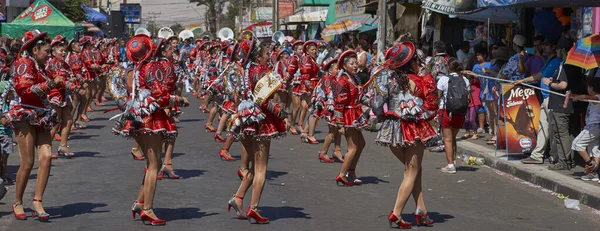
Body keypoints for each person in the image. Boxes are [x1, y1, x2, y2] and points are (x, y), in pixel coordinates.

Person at [114, 35, 189, 226]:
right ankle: (148, 209)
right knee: (154, 166)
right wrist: (177, 100)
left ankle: (140, 202)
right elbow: (160, 97)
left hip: (138, 119)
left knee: (150, 164)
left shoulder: (136, 69)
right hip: (152, 120)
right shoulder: (155, 68)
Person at [367, 42, 438, 228]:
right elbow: (432, 107)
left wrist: (385, 117)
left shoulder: (387, 79)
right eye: (417, 60)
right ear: (412, 62)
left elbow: (376, 106)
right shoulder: (421, 81)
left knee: (414, 171)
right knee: (411, 172)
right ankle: (396, 213)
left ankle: (421, 210)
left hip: (391, 131)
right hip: (412, 129)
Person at [227, 37, 287, 224]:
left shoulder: (245, 71)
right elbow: (263, 99)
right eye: (267, 54)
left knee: (254, 166)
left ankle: (238, 198)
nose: (269, 57)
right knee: (261, 169)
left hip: (246, 121)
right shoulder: (261, 71)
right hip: (261, 121)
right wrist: (279, 110)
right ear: (259, 56)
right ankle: (254, 208)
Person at [9, 30, 62, 221]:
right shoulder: (24, 63)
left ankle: (37, 200)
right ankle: (17, 200)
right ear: (35, 49)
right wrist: (51, 85)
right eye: (47, 51)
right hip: (24, 113)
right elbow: (24, 90)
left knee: (47, 157)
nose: (50, 54)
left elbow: (51, 90)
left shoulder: (42, 67)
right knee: (28, 161)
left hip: (41, 115)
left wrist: (60, 88)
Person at [516, 38, 563, 167]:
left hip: (552, 98)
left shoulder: (557, 61)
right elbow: (539, 74)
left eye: (546, 45)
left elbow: (541, 75)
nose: (543, 48)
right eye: (543, 45)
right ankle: (539, 155)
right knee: (543, 126)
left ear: (554, 47)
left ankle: (553, 156)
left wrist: (523, 80)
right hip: (545, 97)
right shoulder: (548, 60)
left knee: (551, 129)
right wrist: (523, 80)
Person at [333, 50, 368, 186]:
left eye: (356, 63)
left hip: (355, 114)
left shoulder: (355, 79)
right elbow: (339, 103)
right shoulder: (342, 81)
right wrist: (340, 124)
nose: (355, 66)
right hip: (348, 116)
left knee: (361, 144)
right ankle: (342, 174)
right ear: (344, 65)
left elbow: (358, 97)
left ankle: (351, 172)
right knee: (352, 147)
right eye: (351, 63)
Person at [437, 58, 470, 174]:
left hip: (446, 110)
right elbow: (468, 96)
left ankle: (450, 165)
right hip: (460, 112)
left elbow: (438, 96)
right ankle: (453, 160)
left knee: (447, 139)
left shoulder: (443, 79)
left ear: (448, 68)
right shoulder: (465, 79)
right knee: (453, 137)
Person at [46, 35, 76, 159]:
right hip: (55, 95)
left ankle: (63, 146)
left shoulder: (65, 64)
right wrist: (70, 83)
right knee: (55, 123)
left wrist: (74, 79)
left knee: (68, 121)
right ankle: (47, 148)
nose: (63, 53)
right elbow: (57, 80)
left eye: (65, 51)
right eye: (61, 51)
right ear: (53, 52)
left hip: (64, 95)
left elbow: (69, 76)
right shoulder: (52, 64)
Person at [316, 56, 344, 163]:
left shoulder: (335, 78)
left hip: (337, 106)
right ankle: (323, 152)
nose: (339, 70)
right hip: (331, 108)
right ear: (330, 69)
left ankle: (337, 150)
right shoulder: (327, 78)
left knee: (337, 130)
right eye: (337, 68)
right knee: (332, 131)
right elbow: (329, 92)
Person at [572, 77, 600, 182]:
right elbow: (582, 97)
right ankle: (594, 173)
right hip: (594, 127)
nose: (587, 88)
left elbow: (584, 97)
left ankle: (590, 164)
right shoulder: (593, 97)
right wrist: (572, 96)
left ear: (592, 88)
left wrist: (577, 97)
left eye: (588, 86)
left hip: (593, 127)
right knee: (594, 150)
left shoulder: (597, 97)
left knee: (577, 143)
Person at [0, 80, 14, 185]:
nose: (13, 94)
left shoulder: (7, 104)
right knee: (4, 159)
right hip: (4, 134)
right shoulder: (4, 106)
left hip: (5, 134)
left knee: (3, 159)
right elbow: (4, 122)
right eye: (11, 92)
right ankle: (3, 176)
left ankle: (3, 176)